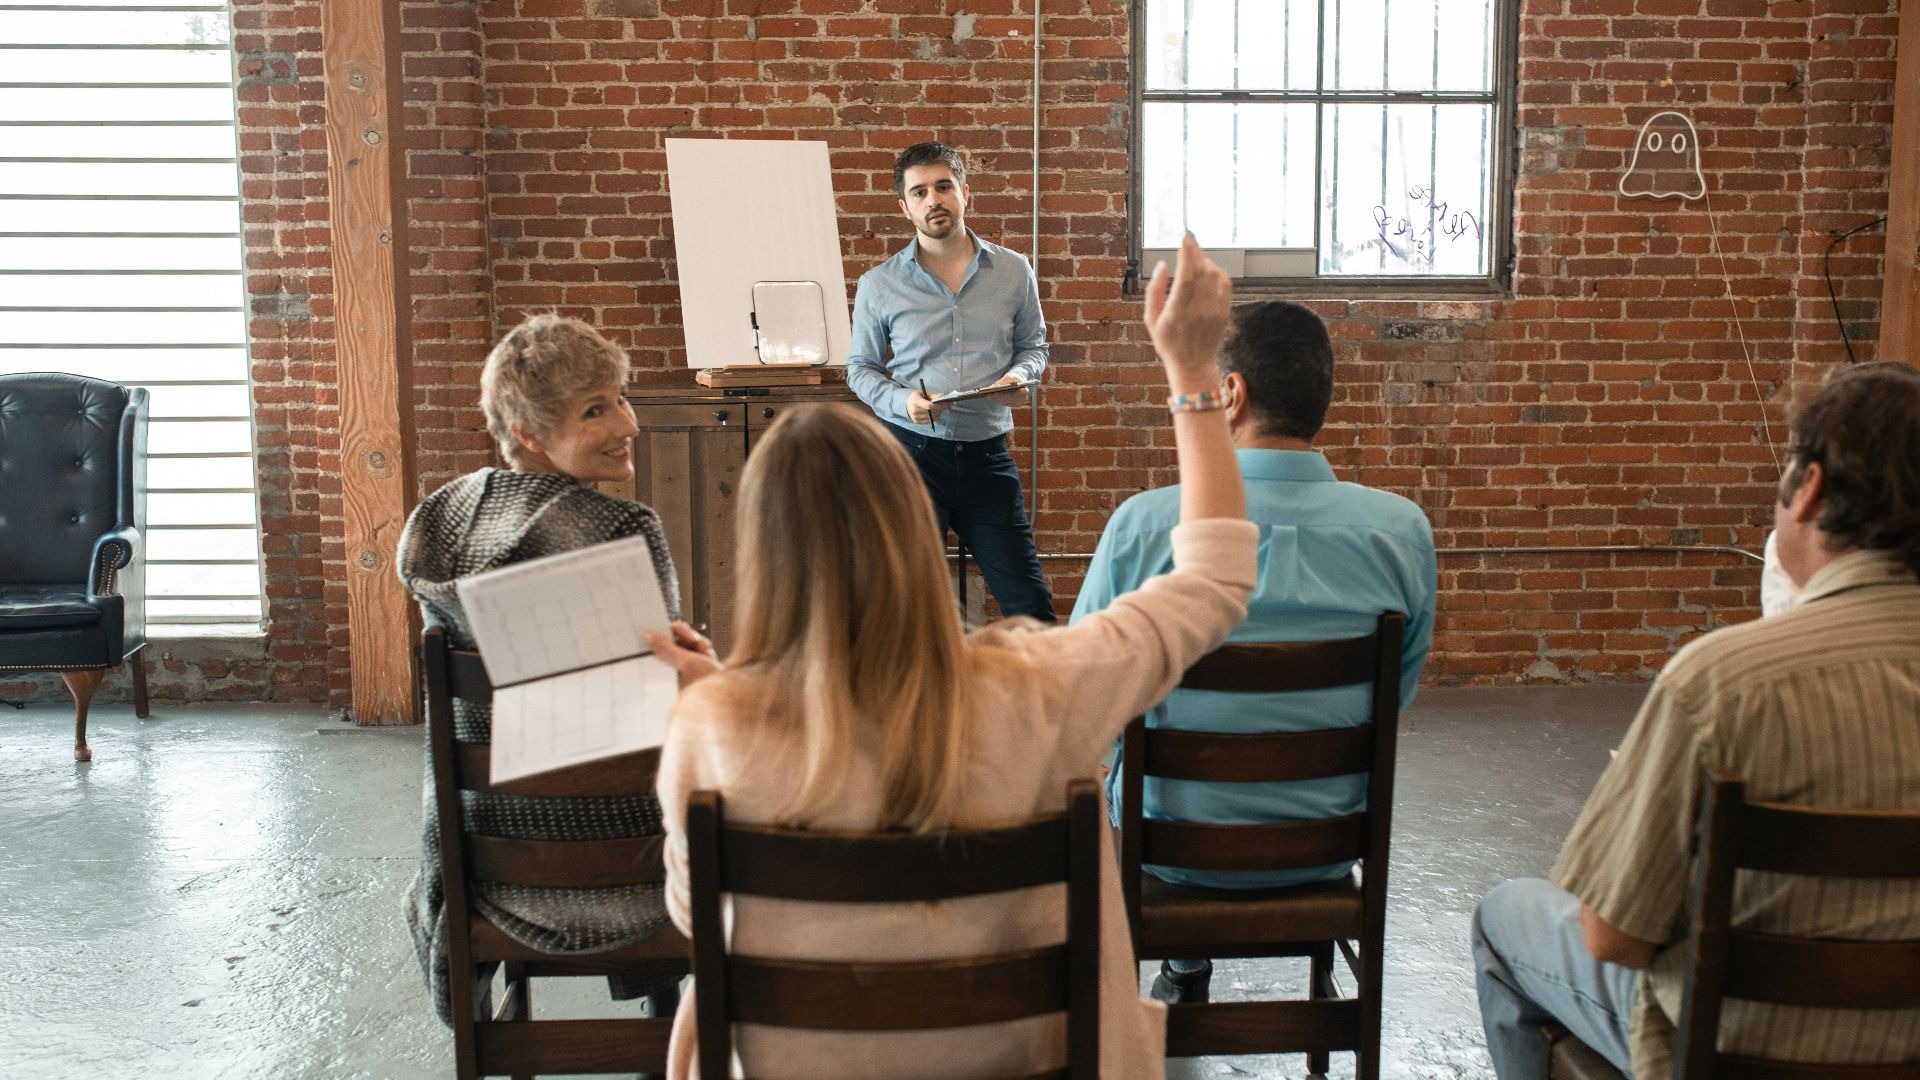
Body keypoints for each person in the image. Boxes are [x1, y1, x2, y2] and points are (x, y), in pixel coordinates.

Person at [645, 234, 1252, 1079]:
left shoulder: (708, 725)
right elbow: (1216, 581)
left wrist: (725, 699)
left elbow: (696, 916)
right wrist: (1191, 369)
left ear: (762, 558)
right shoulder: (1043, 685)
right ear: (912, 531)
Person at [1472, 361, 1920, 1079]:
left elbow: (1612, 936)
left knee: (1505, 915)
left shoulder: (1721, 684)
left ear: (1808, 490)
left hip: (1728, 1052)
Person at [1071, 300, 1436, 1006]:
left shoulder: (1146, 527)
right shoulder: (1401, 533)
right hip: (1327, 843)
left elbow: (1087, 696)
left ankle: (1181, 967)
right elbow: (1396, 695)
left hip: (1170, 847)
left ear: (1230, 395)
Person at [396, 314, 691, 1027]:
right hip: (629, 863)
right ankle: (678, 1029)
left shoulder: (439, 521)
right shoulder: (623, 531)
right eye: (596, 410)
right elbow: (662, 700)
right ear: (529, 433)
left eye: (622, 397)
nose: (627, 422)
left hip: (488, 856)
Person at [844, 140, 1056, 621]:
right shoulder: (879, 284)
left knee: (1031, 606)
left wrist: (1019, 376)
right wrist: (905, 403)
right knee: (901, 609)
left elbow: (1034, 348)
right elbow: (859, 368)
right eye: (919, 192)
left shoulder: (1012, 270)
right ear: (904, 206)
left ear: (965, 192)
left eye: (943, 186)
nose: (933, 200)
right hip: (911, 455)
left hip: (988, 457)